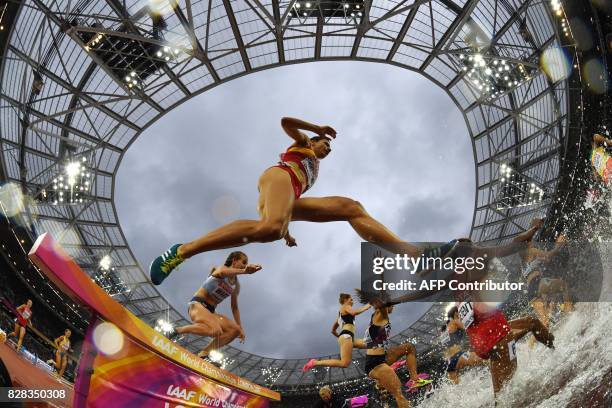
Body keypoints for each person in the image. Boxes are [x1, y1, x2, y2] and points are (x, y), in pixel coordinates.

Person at [150, 117, 458, 285]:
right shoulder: (303, 145)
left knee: (349, 207)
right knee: (271, 228)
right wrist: (315, 129)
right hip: (277, 177)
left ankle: (413, 256)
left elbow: (285, 205)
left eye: (328, 148)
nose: (326, 149)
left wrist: (288, 229)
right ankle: (181, 251)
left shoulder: (315, 168)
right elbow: (285, 121)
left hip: (289, 193)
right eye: (324, 144)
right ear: (313, 141)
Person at [168, 251, 261, 359]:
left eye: (246, 264)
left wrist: (240, 328)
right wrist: (245, 271)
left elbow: (234, 307)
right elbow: (221, 272)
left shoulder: (236, 285)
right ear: (234, 260)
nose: (245, 265)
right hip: (198, 304)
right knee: (216, 330)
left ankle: (204, 353)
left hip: (211, 311)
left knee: (235, 330)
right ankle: (177, 331)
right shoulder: (221, 269)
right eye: (243, 262)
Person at [519, 218, 573, 343]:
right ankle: (571, 315)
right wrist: (558, 244)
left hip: (531, 291)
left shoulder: (523, 261)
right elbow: (549, 255)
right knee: (564, 286)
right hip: (536, 283)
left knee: (544, 322)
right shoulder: (531, 250)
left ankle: (529, 348)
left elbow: (545, 261)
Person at [303, 293, 371, 372]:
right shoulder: (345, 306)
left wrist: (341, 337)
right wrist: (368, 306)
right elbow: (354, 312)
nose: (353, 301)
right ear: (345, 300)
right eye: (351, 299)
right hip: (347, 336)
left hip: (347, 337)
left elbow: (333, 330)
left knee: (372, 344)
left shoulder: (340, 316)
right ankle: (315, 362)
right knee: (344, 363)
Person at [442, 306, 485, 384]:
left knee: (457, 390)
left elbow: (446, 346)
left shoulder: (444, 329)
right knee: (486, 359)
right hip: (458, 356)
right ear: (456, 314)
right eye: (460, 313)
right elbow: (468, 327)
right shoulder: (454, 321)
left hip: (448, 364)